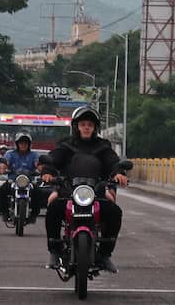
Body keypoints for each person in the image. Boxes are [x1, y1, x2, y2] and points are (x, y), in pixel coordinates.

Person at [40, 106, 128, 273]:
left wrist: (119, 173)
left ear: (95, 128)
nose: (86, 127)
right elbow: (53, 159)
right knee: (53, 208)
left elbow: (113, 162)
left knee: (114, 212)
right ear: (76, 126)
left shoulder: (103, 146)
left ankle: (105, 254)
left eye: (90, 124)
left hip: (96, 190)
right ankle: (54, 251)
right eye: (83, 124)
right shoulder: (65, 145)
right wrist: (47, 172)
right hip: (68, 190)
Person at [0, 133, 41, 223]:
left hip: (29, 181)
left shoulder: (34, 155)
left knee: (39, 192)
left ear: (29, 144)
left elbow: (38, 165)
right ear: (17, 144)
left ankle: (34, 214)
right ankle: (5, 213)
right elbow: (4, 163)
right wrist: (2, 168)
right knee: (1, 191)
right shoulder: (10, 154)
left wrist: (42, 170)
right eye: (21, 142)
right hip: (13, 180)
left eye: (26, 143)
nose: (23, 145)